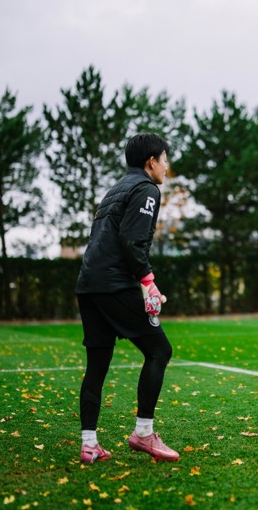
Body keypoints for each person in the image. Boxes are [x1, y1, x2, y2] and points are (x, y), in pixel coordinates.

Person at [75, 132, 180, 463]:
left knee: (97, 364)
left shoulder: (115, 190)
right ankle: (144, 434)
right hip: (113, 285)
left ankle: (89, 444)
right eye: (165, 160)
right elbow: (132, 241)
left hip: (88, 284)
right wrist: (148, 281)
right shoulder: (147, 189)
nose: (167, 167)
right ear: (151, 161)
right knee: (159, 350)